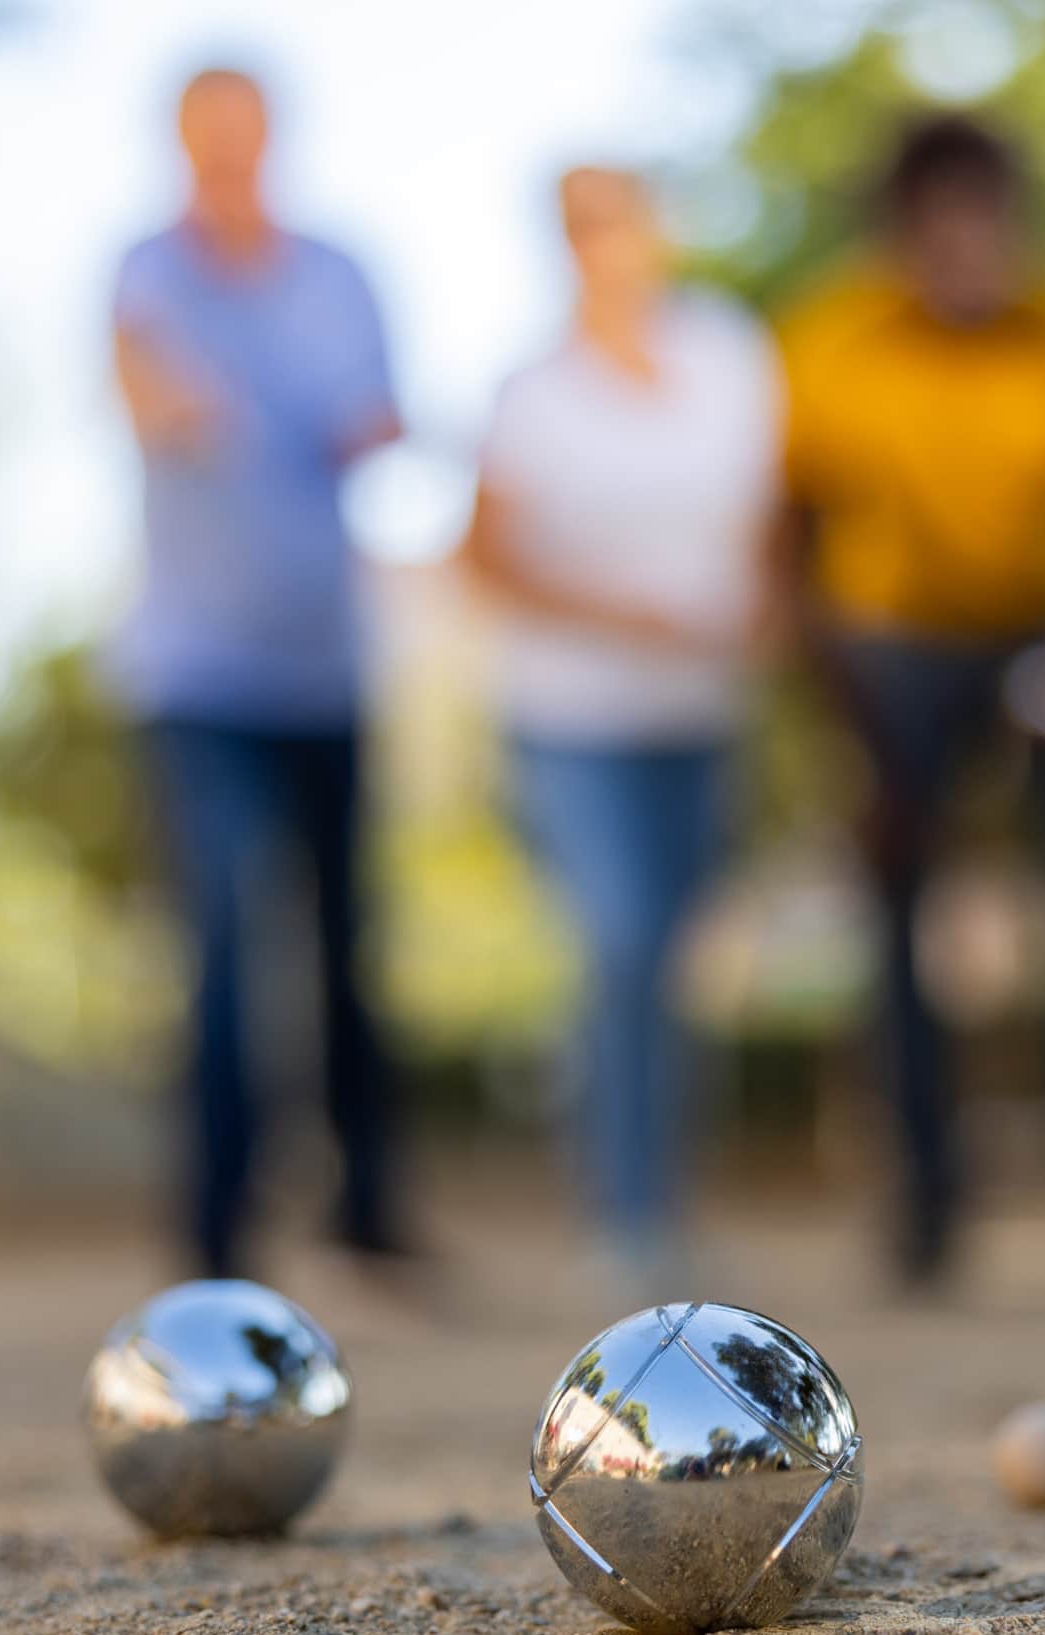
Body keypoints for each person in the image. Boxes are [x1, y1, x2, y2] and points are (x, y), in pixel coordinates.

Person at [779, 115, 1045, 1288]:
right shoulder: (829, 345)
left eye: (981, 218)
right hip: (892, 652)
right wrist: (856, 736)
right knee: (899, 921)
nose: (962, 245)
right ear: (898, 232)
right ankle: (925, 1206)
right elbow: (794, 549)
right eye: (933, 222)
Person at [111, 67, 411, 1281]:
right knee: (226, 935)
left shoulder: (339, 274)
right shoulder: (147, 270)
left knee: (348, 940)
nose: (229, 155)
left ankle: (369, 1208)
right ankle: (218, 1226)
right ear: (181, 143)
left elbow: (378, 416)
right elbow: (151, 394)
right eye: (207, 137)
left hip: (327, 664)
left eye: (246, 134)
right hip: (197, 673)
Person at [459, 167, 783, 1293]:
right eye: (583, 228)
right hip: (573, 717)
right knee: (621, 938)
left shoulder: (729, 355)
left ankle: (666, 1203)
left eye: (623, 221)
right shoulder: (532, 391)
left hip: (700, 712)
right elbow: (484, 555)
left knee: (675, 959)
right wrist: (625, 615)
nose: (608, 245)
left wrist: (759, 610)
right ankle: (625, 1210)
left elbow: (772, 516)